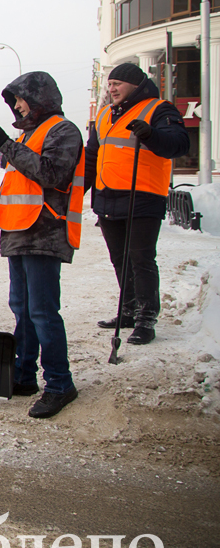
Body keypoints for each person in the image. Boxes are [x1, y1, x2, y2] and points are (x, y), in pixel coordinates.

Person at [0, 71, 84, 419]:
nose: (17, 107)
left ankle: (60, 383)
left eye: (20, 100)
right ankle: (24, 376)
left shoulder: (63, 131)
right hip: (19, 232)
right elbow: (17, 187)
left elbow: (51, 174)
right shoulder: (31, 136)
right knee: (21, 308)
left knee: (42, 312)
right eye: (14, 102)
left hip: (44, 232)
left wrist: (5, 142)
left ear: (40, 99)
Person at [84, 62, 189, 346]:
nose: (111, 87)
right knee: (120, 259)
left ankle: (146, 319)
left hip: (143, 196)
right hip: (108, 196)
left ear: (135, 84)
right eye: (109, 83)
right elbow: (92, 157)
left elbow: (179, 144)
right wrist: (79, 189)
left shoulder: (159, 109)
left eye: (117, 83)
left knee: (141, 259)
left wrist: (150, 134)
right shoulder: (105, 114)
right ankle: (128, 310)